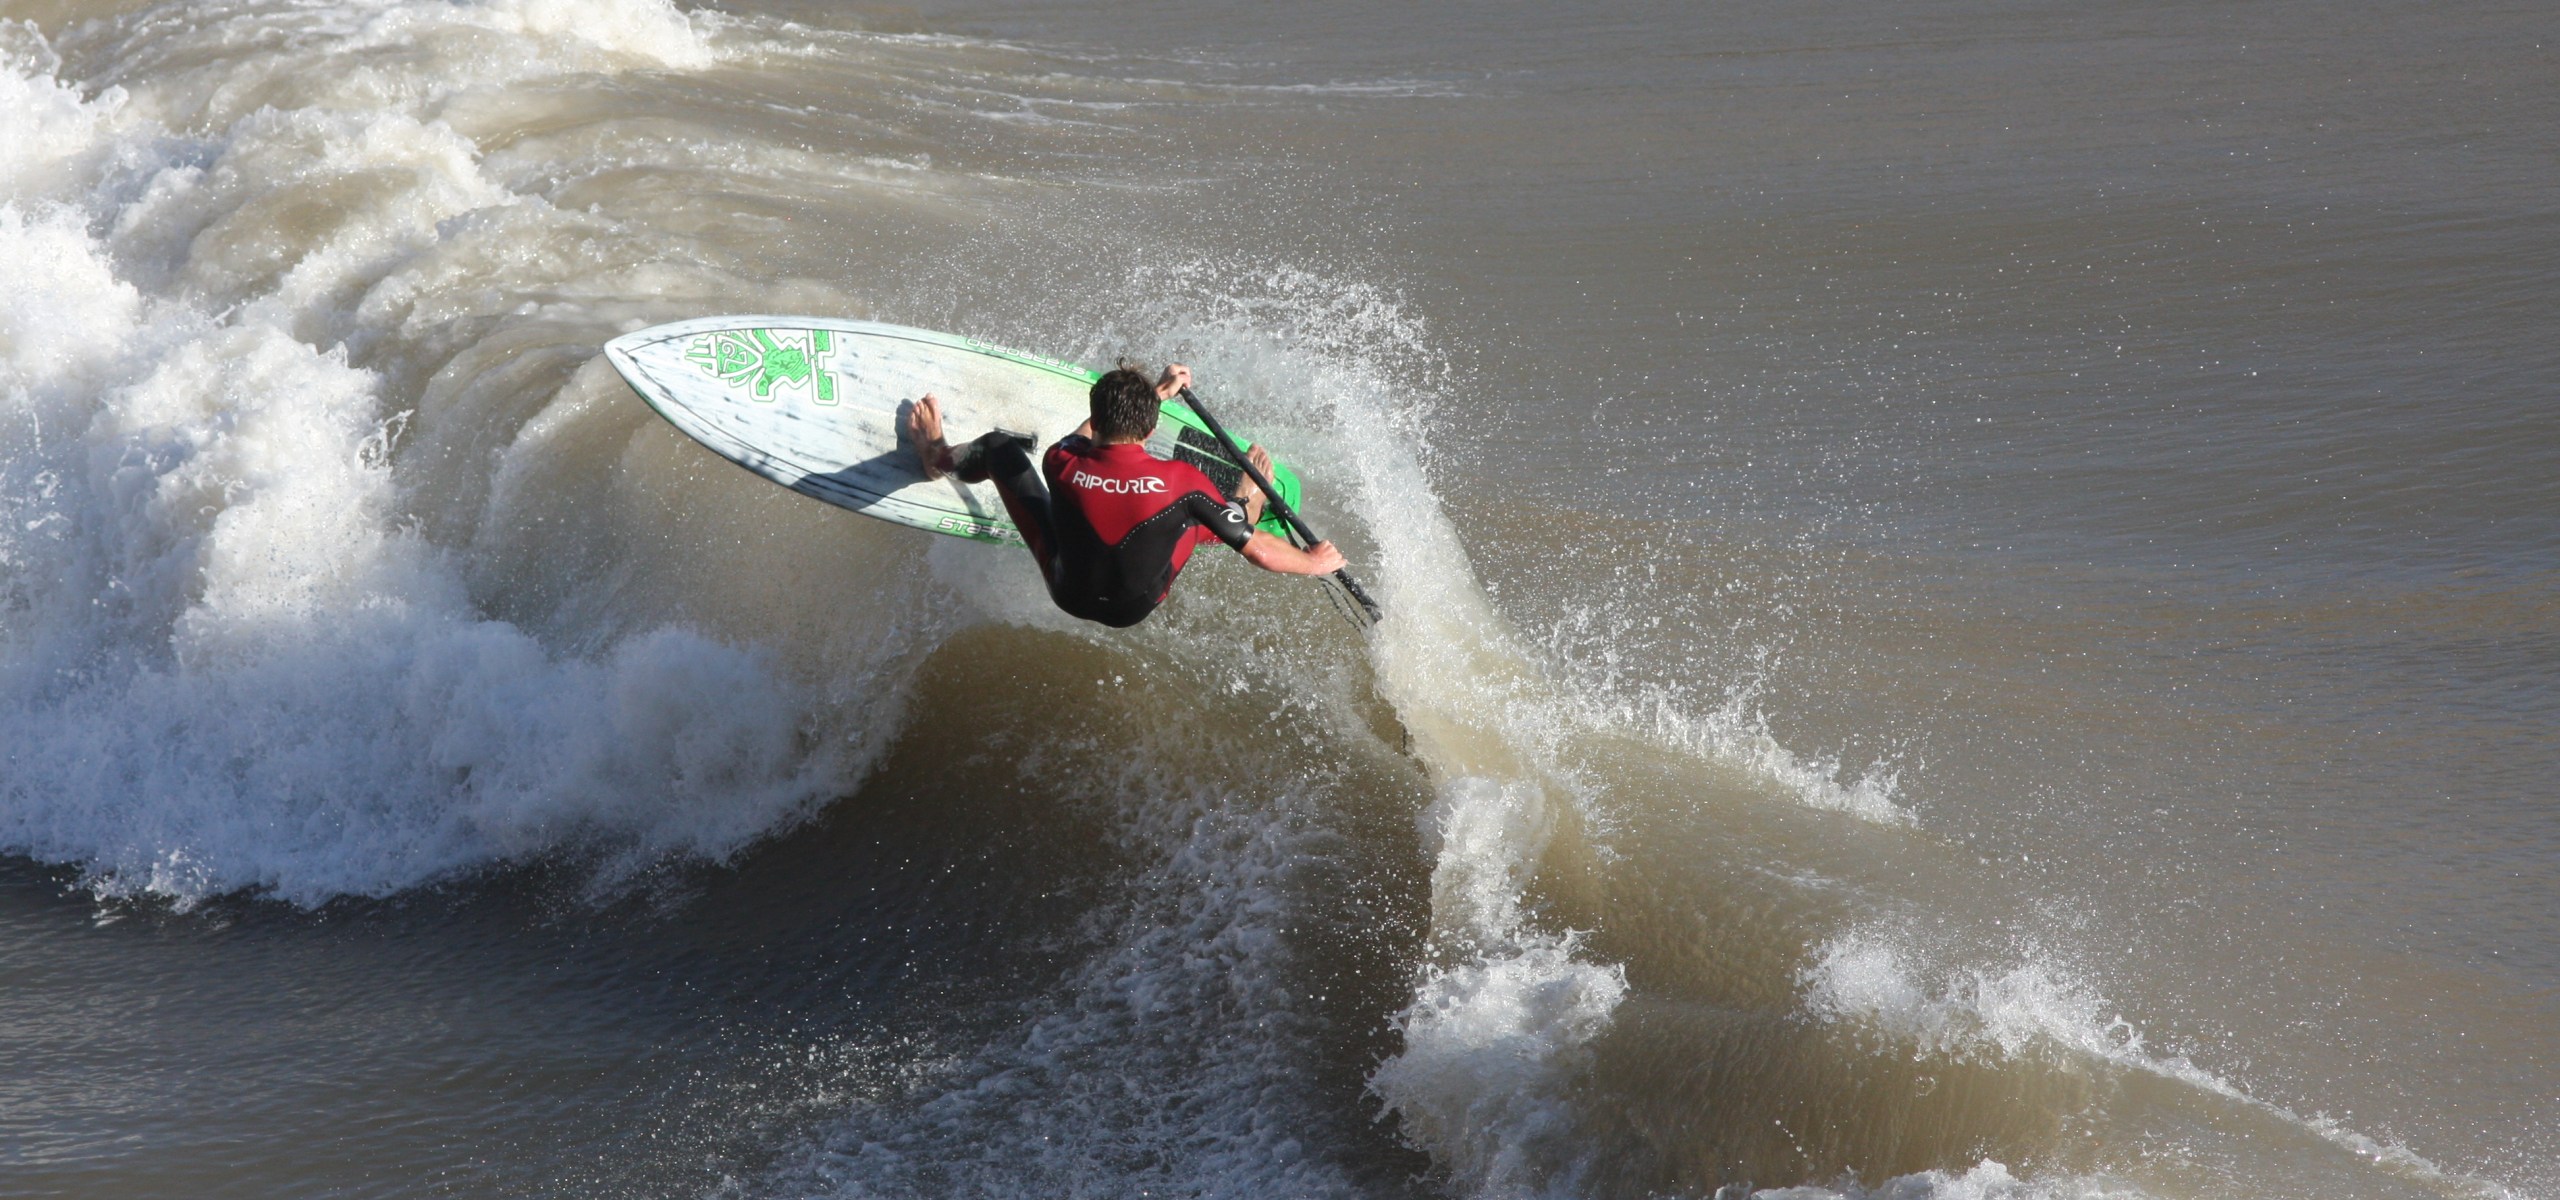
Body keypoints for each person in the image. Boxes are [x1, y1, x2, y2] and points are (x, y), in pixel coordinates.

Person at [907, 361, 1346, 627]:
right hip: (1134, 608)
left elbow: (1084, 434)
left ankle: (936, 457)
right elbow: (1260, 554)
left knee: (999, 448)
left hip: (1066, 590)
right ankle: (1246, 502)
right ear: (1151, 431)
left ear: (1096, 419)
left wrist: (1157, 393)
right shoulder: (1182, 480)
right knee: (1200, 516)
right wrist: (1314, 562)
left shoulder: (1061, 460)